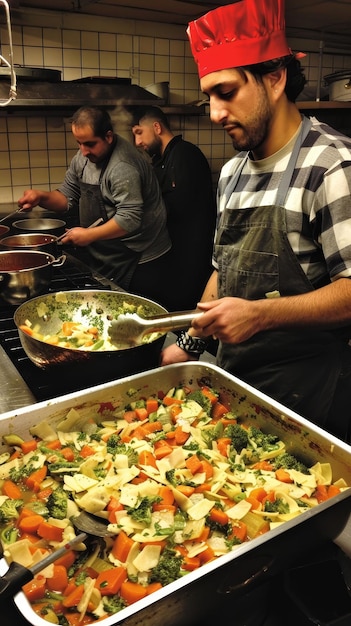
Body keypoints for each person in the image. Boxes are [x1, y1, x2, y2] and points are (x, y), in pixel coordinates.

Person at [161, 0, 351, 443]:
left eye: (226, 93)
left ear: (275, 77)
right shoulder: (234, 172)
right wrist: (188, 345)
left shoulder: (330, 165)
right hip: (239, 389)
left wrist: (260, 316)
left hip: (313, 401)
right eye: (208, 96)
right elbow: (223, 273)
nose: (214, 113)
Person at [17, 106, 172, 307]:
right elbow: (67, 196)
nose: (83, 151)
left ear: (108, 136)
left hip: (142, 257)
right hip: (111, 250)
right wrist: (41, 197)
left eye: (90, 144)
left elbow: (130, 219)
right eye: (79, 143)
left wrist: (88, 235)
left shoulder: (122, 166)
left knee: (133, 313)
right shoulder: (82, 158)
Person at [129, 105, 217, 312]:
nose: (137, 142)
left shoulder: (186, 155)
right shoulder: (161, 160)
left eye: (139, 133)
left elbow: (183, 209)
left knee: (187, 311)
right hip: (173, 255)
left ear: (157, 127)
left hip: (191, 256)